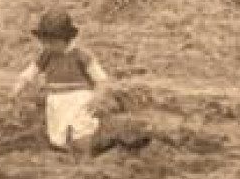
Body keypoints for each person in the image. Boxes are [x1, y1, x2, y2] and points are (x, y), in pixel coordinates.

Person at [11, 9, 149, 156]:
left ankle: (87, 154)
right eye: (45, 42)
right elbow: (31, 71)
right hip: (56, 102)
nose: (48, 46)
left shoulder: (81, 56)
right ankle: (65, 154)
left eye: (53, 42)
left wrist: (98, 96)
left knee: (81, 131)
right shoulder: (46, 56)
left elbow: (101, 79)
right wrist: (20, 84)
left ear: (66, 38)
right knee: (58, 136)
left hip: (79, 100)